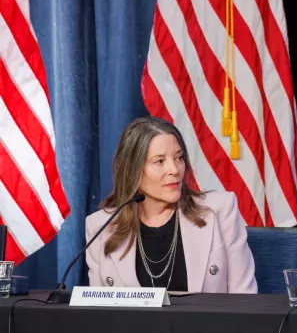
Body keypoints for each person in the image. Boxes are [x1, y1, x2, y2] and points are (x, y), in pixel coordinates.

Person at [86, 117, 257, 293]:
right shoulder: (100, 226)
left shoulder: (220, 210)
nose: (175, 170)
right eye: (159, 161)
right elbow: (98, 312)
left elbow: (245, 297)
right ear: (132, 170)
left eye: (179, 158)